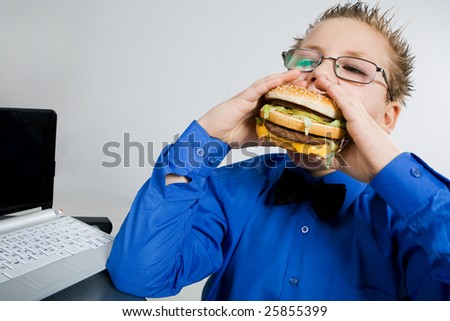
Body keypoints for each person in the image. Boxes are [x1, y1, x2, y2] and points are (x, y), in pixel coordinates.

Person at [106, 2, 450, 300]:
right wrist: (208, 137)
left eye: (354, 69)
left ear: (387, 117)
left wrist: (389, 169)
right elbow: (140, 275)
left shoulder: (411, 218)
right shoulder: (229, 187)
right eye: (307, 60)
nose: (319, 74)